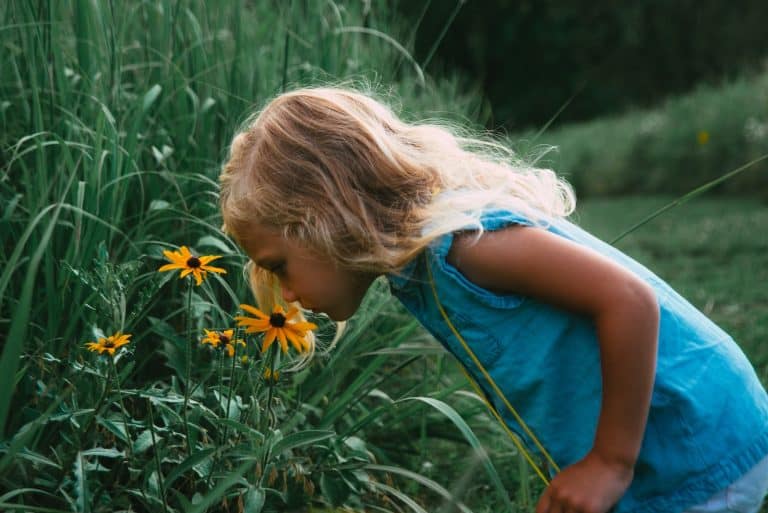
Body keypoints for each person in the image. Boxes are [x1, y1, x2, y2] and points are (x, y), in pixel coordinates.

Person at [219, 86, 768, 513]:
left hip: (697, 441)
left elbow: (629, 300)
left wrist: (609, 462)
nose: (285, 293)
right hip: (673, 445)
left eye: (279, 266)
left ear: (326, 221)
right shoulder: (417, 268)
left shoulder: (465, 249)